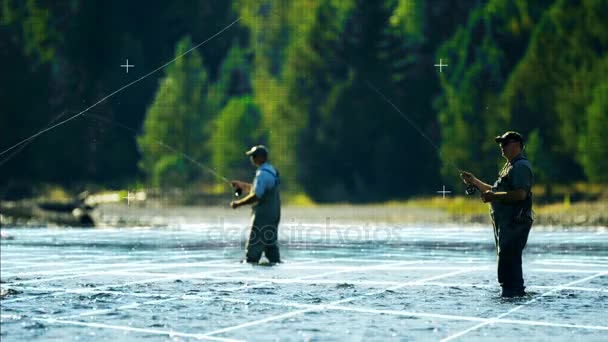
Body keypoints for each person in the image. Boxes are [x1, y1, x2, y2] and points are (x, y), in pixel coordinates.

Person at [460, 131, 534, 297]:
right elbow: (494, 190)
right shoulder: (509, 166)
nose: (501, 146)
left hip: (515, 224)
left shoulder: (521, 167)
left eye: (505, 143)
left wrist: (492, 197)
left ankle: (514, 297)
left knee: (509, 263)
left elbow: (520, 194)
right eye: (501, 143)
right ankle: (512, 296)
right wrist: (474, 181)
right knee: (507, 263)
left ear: (516, 145)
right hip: (506, 225)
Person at [230, 145, 281, 264]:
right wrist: (242, 186)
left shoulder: (262, 174)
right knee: (271, 246)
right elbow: (259, 189)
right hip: (274, 214)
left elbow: (257, 195)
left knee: (254, 246)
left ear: (261, 157)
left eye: (253, 156)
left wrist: (238, 203)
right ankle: (276, 267)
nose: (251, 158)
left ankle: (250, 266)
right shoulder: (271, 170)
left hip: (263, 216)